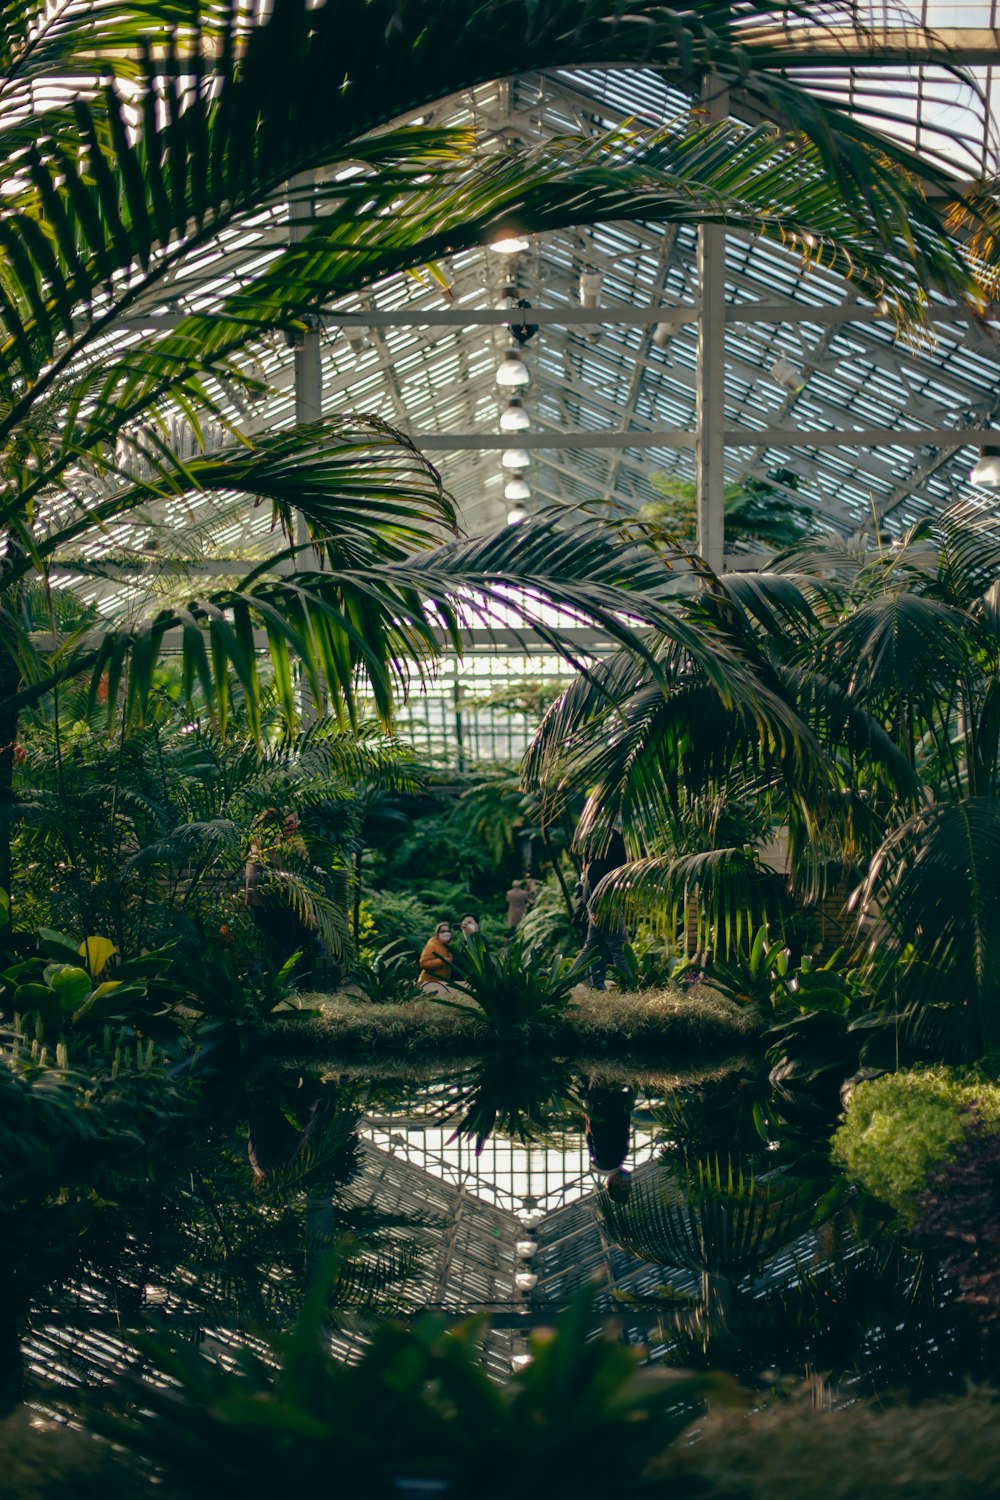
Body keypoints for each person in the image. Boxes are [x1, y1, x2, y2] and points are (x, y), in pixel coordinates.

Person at [584, 1077, 636, 1202]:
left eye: (624, 1184)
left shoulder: (608, 1161)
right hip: (606, 1102)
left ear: (613, 1183)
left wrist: (602, 1102)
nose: (628, 1180)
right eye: (629, 1184)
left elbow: (599, 1132)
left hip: (607, 1101)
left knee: (604, 1072)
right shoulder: (605, 1163)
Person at [418, 921, 454, 990]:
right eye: (442, 931)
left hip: (440, 985)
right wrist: (443, 961)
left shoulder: (447, 946)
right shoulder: (432, 945)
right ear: (437, 933)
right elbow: (423, 963)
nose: (446, 933)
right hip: (428, 985)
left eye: (448, 931)